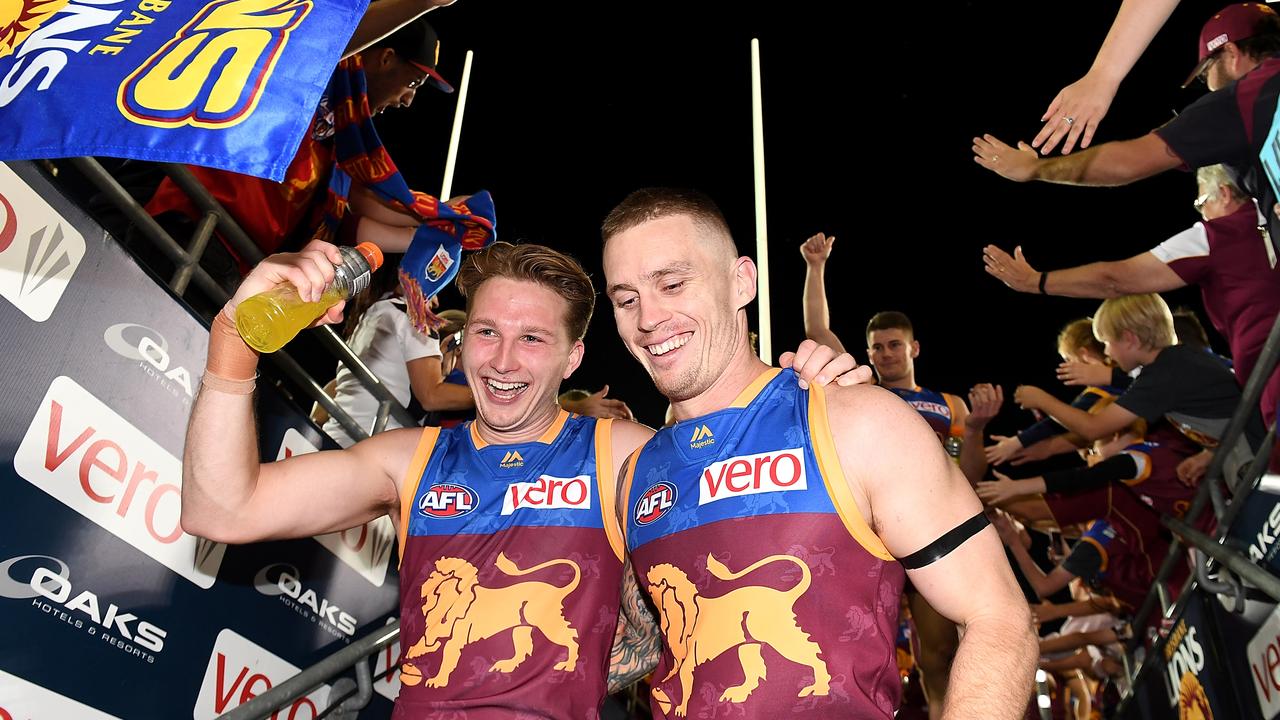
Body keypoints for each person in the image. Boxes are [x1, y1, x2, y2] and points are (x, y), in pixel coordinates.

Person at [182, 239, 859, 716]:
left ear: (573, 358)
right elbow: (222, 511)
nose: (503, 360)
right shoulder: (408, 458)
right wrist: (234, 340)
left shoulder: (623, 452)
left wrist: (811, 398)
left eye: (533, 338)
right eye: (485, 333)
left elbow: (764, 484)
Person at [601, 188, 1036, 719]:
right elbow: (639, 647)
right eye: (626, 299)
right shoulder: (636, 474)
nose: (649, 318)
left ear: (741, 281)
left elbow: (998, 615)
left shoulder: (857, 421)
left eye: (672, 284)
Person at [973, 3, 1280, 259]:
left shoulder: (1241, 99)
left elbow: (1127, 163)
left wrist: (1034, 168)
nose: (1207, 88)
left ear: (1230, 53)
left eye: (1204, 75)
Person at [982, 164, 1280, 424]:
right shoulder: (1273, 212)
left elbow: (1116, 279)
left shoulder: (1217, 234)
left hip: (1272, 369)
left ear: (1225, 194)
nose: (1201, 214)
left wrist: (1037, 281)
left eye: (1201, 202)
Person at [1012, 293, 1260, 489]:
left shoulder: (1163, 374)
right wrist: (1208, 455)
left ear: (1129, 339)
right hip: (1247, 451)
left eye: (1108, 343)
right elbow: (1220, 410)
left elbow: (1093, 428)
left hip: (1256, 457)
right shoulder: (1174, 363)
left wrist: (1042, 399)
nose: (1107, 352)